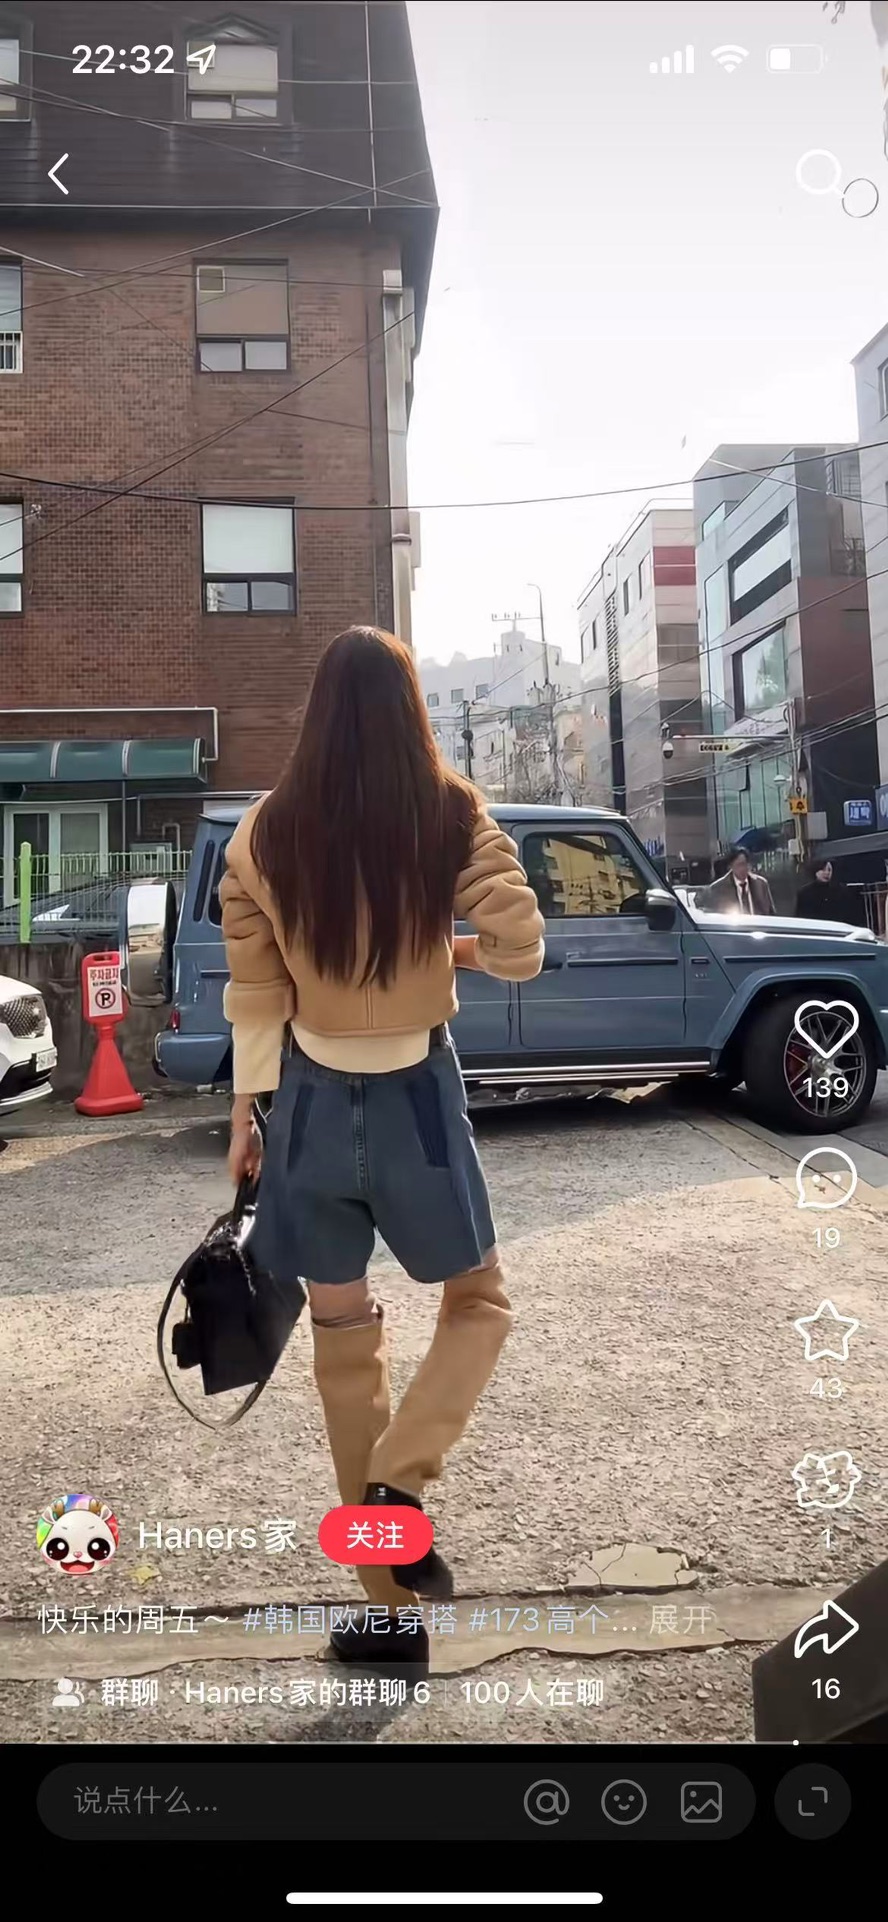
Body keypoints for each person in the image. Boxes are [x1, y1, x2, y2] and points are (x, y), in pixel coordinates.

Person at [220, 625, 545, 1676]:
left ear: (315, 713)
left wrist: (245, 1119)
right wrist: (441, 944)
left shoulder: (263, 832)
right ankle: (403, 1478)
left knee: (344, 1341)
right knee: (479, 1302)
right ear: (411, 710)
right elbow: (521, 949)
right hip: (417, 1098)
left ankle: (390, 1613)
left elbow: (256, 991)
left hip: (308, 1100)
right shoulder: (449, 811)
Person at [699, 847, 776, 917]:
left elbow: (771, 913)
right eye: (739, 865)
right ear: (731, 866)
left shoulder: (761, 884)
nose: (743, 868)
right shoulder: (718, 888)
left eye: (745, 864)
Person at [795, 858, 866, 927]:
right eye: (823, 870)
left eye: (829, 870)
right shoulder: (805, 893)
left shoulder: (842, 891)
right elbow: (802, 916)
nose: (827, 873)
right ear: (815, 871)